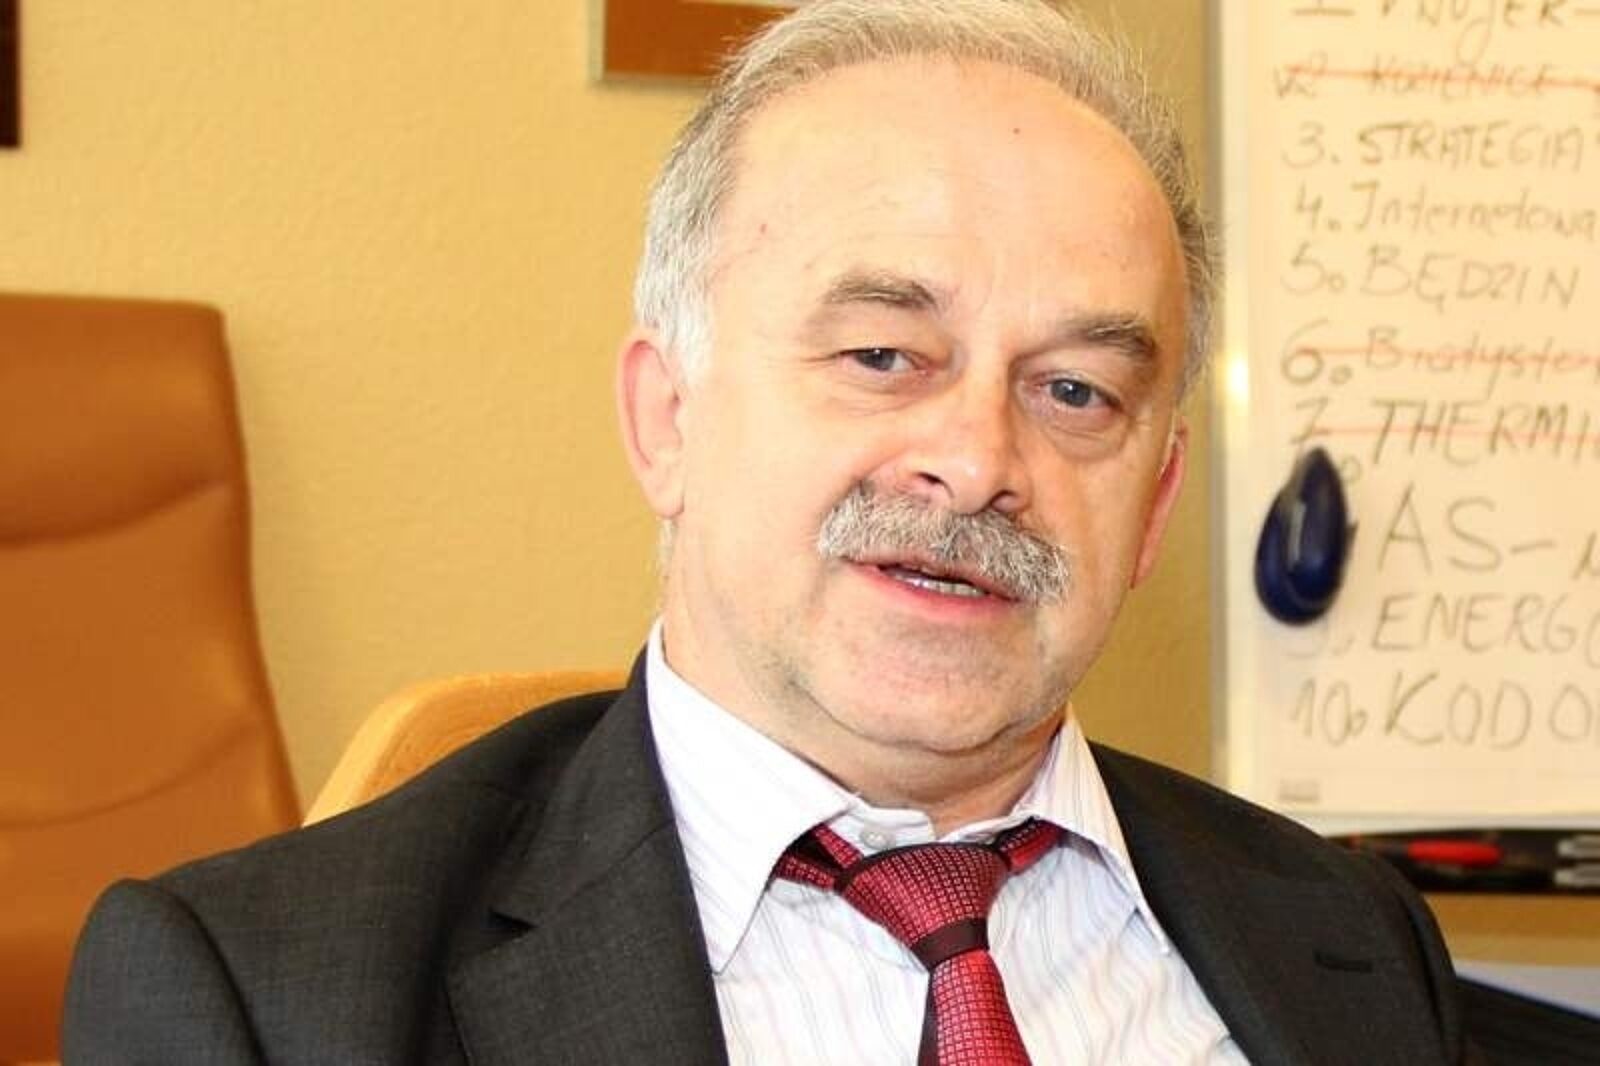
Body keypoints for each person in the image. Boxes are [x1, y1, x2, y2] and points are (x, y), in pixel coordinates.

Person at [64, 2, 1474, 1063]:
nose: (978, 462)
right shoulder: (264, 997)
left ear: (1155, 504)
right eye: (882, 355)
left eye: (1074, 391)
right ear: (666, 418)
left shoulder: (1349, 943)